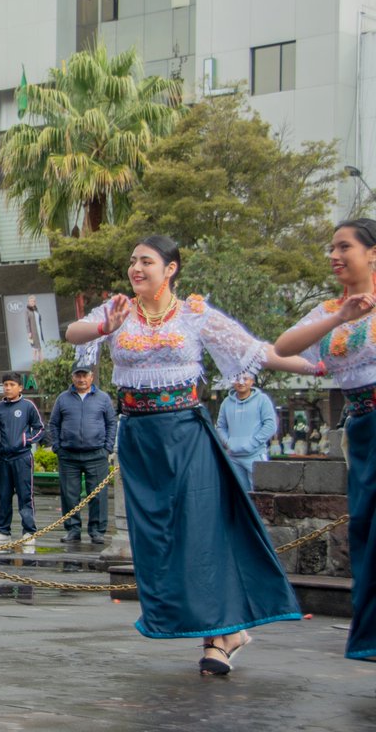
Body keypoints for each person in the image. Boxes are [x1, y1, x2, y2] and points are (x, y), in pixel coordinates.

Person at [69, 234, 316, 675]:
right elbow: (74, 333)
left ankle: (221, 635)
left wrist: (319, 367)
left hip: (187, 434)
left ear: (171, 269)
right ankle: (207, 625)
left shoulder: (194, 314)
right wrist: (104, 327)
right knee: (158, 540)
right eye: (132, 261)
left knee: (202, 533)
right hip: (141, 440)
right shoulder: (117, 311)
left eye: (146, 261)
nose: (136, 268)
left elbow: (256, 351)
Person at [274, 218, 376, 661]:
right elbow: (282, 346)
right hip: (362, 426)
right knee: (367, 529)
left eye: (344, 247)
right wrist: (340, 316)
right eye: (331, 249)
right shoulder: (331, 310)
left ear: (372, 253)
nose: (334, 256)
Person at [48, 364, 117, 545]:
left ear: (91, 377)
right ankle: (72, 529)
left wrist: (107, 447)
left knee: (98, 494)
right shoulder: (63, 399)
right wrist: (57, 446)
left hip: (96, 454)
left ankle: (97, 531)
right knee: (70, 494)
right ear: (72, 378)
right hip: (69, 455)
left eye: (84, 375)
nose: (81, 379)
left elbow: (111, 423)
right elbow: (53, 424)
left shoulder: (102, 398)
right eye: (78, 376)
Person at [0, 372, 44, 552]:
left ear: (20, 387)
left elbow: (40, 428)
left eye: (12, 384)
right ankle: (3, 531)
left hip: (22, 458)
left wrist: (26, 440)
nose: (8, 388)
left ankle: (29, 532)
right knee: (3, 495)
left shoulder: (28, 406)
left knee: (25, 495)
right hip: (3, 459)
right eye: (5, 384)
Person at [215, 374, 277, 490]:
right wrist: (228, 443)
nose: (241, 382)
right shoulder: (226, 403)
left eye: (245, 379)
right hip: (233, 458)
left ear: (252, 381)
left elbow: (270, 426)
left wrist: (252, 444)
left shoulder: (262, 400)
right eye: (237, 379)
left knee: (260, 495)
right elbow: (220, 427)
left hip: (255, 456)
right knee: (238, 497)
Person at [26, 295, 46, 364]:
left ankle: (42, 365)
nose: (33, 302)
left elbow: (39, 320)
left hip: (39, 331)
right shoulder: (27, 310)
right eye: (31, 301)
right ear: (28, 302)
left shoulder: (36, 309)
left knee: (40, 348)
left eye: (34, 301)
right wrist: (29, 332)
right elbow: (27, 322)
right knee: (34, 349)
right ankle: (35, 367)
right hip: (33, 332)